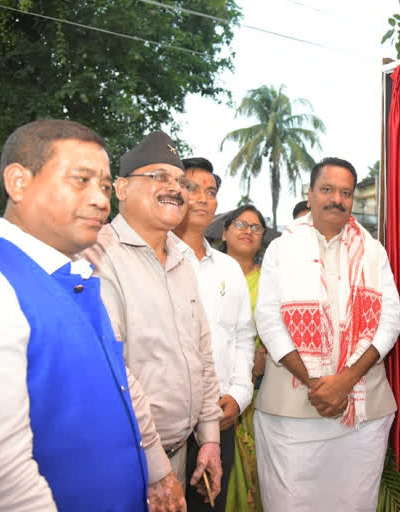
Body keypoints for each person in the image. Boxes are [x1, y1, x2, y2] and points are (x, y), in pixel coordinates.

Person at [0, 119, 148, 511]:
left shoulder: (75, 281)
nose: (101, 200)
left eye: (106, 186)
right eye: (81, 180)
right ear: (19, 181)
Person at [82, 131, 222, 511]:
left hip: (178, 455)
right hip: (127, 460)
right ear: (122, 188)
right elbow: (113, 372)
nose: (175, 188)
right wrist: (156, 468)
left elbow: (202, 352)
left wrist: (209, 436)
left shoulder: (181, 258)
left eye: (180, 181)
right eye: (159, 176)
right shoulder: (97, 256)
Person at [254, 157, 400, 511]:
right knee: (290, 503)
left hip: (363, 409)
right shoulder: (281, 247)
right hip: (292, 408)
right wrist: (317, 383)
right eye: (327, 189)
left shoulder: (373, 250)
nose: (337, 199)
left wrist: (346, 380)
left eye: (346, 192)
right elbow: (269, 319)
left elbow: (391, 319)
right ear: (309, 194)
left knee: (354, 502)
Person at [172, 157, 255, 512]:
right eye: (193, 189)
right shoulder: (158, 259)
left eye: (211, 191)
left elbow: (241, 337)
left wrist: (238, 396)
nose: (204, 199)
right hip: (168, 424)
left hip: (220, 415)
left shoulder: (228, 268)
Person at [222, 205, 268, 512]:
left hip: (258, 388)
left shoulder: (270, 281)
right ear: (224, 232)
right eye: (241, 224)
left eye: (256, 227)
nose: (248, 231)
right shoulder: (206, 273)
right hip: (215, 383)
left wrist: (262, 354)